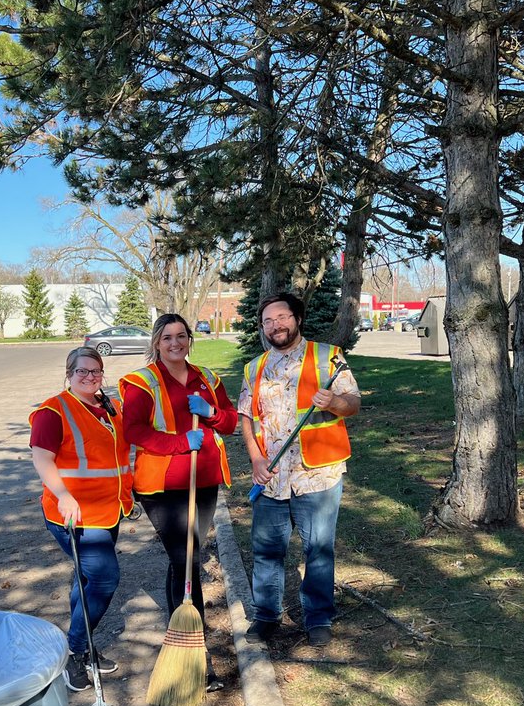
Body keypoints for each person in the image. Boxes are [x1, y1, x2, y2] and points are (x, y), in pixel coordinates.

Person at [120, 313, 237, 685]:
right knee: (186, 558)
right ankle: (195, 652)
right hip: (162, 485)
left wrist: (212, 414)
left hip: (202, 480)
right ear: (157, 342)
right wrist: (178, 443)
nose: (175, 343)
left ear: (190, 338)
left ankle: (184, 636)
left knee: (187, 557)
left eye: (181, 336)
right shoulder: (142, 381)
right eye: (167, 337)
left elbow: (231, 421)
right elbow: (133, 429)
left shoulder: (208, 378)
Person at [238, 292, 361, 648]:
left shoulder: (327, 357)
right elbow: (247, 417)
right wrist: (256, 459)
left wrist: (335, 402)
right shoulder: (254, 367)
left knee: (319, 550)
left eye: (282, 317)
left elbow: (353, 404)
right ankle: (266, 616)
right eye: (268, 321)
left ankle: (318, 617)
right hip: (272, 477)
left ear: (297, 318)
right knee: (266, 551)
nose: (276, 325)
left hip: (317, 475)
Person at [29, 346, 133, 692]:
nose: (90, 377)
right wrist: (63, 494)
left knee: (86, 579)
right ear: (69, 374)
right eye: (82, 371)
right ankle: (74, 649)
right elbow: (43, 460)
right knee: (104, 579)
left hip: (108, 511)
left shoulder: (108, 406)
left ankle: (83, 646)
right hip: (73, 514)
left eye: (96, 371)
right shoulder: (53, 411)